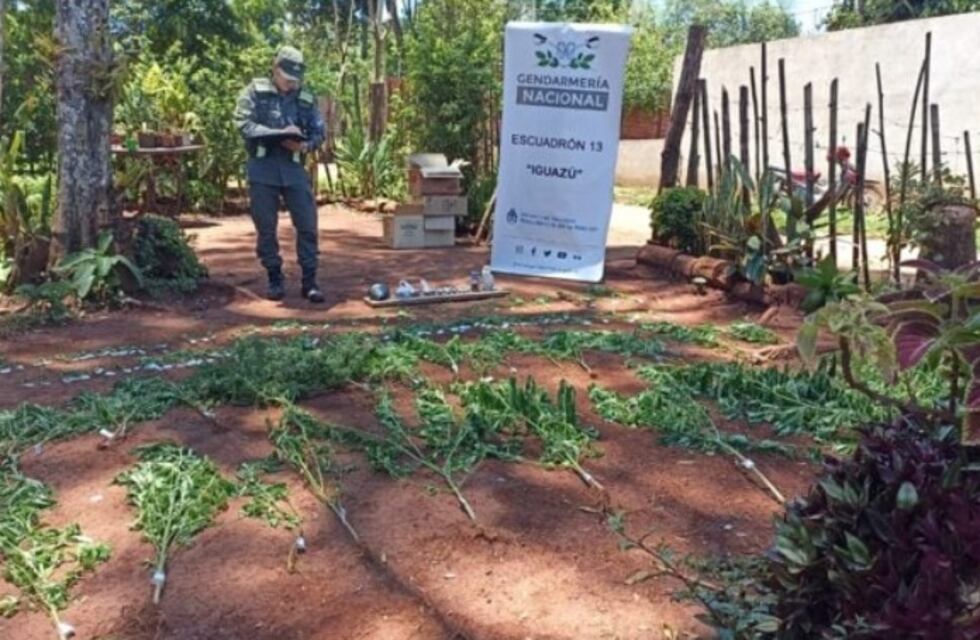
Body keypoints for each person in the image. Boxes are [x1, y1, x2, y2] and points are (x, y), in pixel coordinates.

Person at [234, 46, 326, 303]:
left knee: (307, 225)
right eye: (287, 78)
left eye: (295, 79)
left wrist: (304, 145)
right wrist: (277, 134)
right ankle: (274, 275)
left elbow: (319, 132)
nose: (291, 83)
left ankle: (310, 281)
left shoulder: (305, 98)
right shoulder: (254, 92)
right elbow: (244, 124)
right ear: (275, 68)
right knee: (266, 227)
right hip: (263, 168)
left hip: (294, 168)